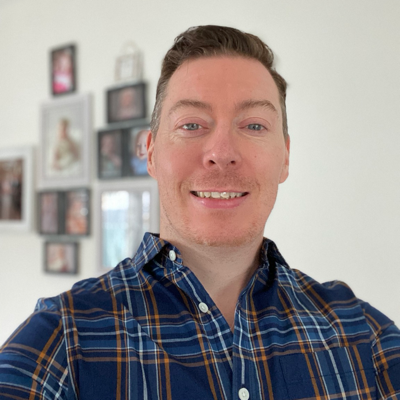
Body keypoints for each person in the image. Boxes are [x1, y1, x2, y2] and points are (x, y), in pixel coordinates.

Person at [1, 25, 399, 399]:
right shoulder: (62, 340)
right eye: (191, 125)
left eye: (254, 125)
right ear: (151, 154)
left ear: (285, 157)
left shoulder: (365, 335)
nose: (222, 153)